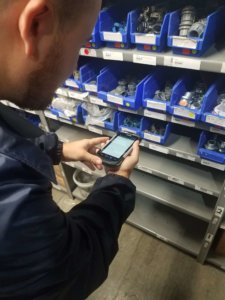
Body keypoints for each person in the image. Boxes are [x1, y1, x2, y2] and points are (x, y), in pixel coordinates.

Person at [0, 1, 140, 299]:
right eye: (79, 44)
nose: (75, 66)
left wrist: (57, 149)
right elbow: (72, 267)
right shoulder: (9, 193)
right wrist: (119, 184)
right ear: (36, 25)